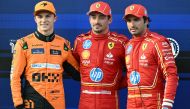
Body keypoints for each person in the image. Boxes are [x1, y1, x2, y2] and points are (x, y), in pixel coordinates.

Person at [10, 1, 80, 109]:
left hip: (56, 102)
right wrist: (18, 103)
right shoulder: (23, 44)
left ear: (55, 18)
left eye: (48, 16)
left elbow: (78, 74)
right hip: (32, 101)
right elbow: (15, 77)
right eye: (40, 16)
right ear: (35, 19)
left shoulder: (63, 45)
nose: (43, 20)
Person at [73, 1, 129, 109]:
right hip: (85, 102)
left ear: (110, 19)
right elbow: (74, 67)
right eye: (93, 17)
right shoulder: (80, 41)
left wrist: (116, 84)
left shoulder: (121, 42)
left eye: (101, 17)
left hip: (110, 102)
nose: (96, 21)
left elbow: (134, 69)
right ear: (89, 19)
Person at [123, 4, 179, 109]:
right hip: (131, 103)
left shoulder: (157, 41)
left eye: (136, 19)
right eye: (129, 21)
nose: (132, 24)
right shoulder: (128, 45)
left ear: (146, 21)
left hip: (154, 103)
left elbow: (171, 75)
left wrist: (167, 104)